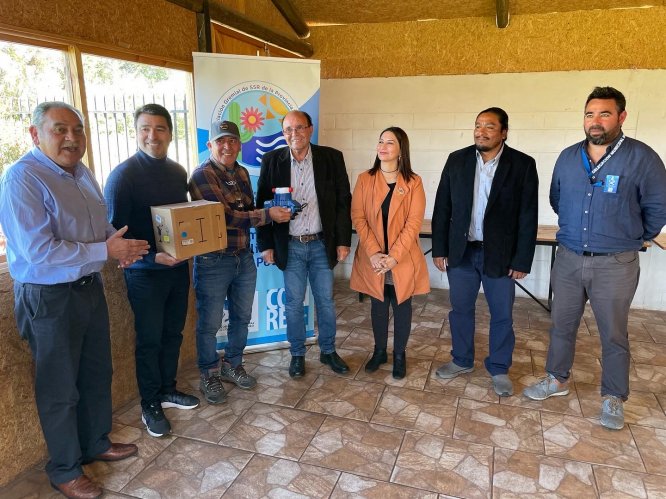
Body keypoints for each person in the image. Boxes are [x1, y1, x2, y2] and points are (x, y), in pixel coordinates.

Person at [0, 102, 149, 499]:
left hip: (86, 288)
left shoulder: (82, 173)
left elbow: (99, 228)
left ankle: (95, 443)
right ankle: (65, 468)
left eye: (78, 131)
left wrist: (125, 246)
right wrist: (105, 251)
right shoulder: (22, 179)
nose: (71, 138)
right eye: (60, 129)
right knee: (59, 388)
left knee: (96, 374)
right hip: (48, 298)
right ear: (35, 134)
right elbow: (38, 252)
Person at [523, 87, 666, 429]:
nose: (596, 121)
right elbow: (557, 199)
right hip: (570, 257)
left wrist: (630, 237)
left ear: (621, 117)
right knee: (561, 324)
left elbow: (657, 209)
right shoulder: (568, 157)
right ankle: (556, 379)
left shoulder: (643, 158)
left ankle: (613, 396)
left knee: (613, 333)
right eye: (590, 114)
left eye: (604, 114)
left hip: (615, 263)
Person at [104, 104, 200, 439]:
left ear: (170, 134)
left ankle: (167, 389)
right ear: (136, 132)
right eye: (145, 128)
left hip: (177, 270)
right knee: (149, 340)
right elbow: (114, 237)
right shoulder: (123, 176)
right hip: (144, 274)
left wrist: (186, 249)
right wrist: (152, 259)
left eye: (160, 129)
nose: (152, 135)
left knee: (173, 334)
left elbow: (182, 221)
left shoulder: (177, 172)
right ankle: (150, 403)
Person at [432, 107, 538, 397]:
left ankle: (499, 367)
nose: (481, 131)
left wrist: (521, 259)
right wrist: (440, 248)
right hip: (462, 252)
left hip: (501, 255)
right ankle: (462, 360)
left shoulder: (522, 165)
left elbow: (528, 215)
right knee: (460, 309)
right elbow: (443, 207)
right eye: (478, 125)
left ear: (504, 132)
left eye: (490, 126)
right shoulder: (457, 160)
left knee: (502, 314)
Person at [189, 120, 291, 404]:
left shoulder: (243, 172)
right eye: (221, 141)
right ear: (210, 145)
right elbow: (226, 217)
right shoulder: (201, 175)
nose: (227, 146)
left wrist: (274, 209)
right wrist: (268, 216)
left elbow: (247, 210)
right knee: (209, 324)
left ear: (239, 144)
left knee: (242, 318)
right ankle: (209, 373)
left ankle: (232, 364)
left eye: (232, 140)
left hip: (243, 256)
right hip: (213, 260)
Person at [257, 110, 352, 378]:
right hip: (291, 245)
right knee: (293, 304)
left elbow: (344, 202)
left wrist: (343, 241)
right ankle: (297, 354)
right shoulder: (272, 160)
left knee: (326, 301)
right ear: (283, 132)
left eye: (299, 128)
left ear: (310, 129)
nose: (293, 134)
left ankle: (328, 351)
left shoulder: (331, 158)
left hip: (322, 244)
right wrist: (266, 245)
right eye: (288, 129)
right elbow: (261, 205)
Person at [350, 127, 430, 379]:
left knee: (402, 305)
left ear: (401, 150)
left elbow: (413, 223)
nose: (382, 146)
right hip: (373, 258)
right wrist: (374, 253)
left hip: (402, 257)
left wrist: (393, 257)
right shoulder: (365, 179)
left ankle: (399, 355)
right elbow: (358, 217)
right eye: (380, 141)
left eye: (390, 142)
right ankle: (379, 351)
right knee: (378, 305)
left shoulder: (413, 182)